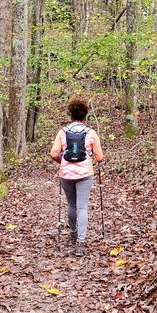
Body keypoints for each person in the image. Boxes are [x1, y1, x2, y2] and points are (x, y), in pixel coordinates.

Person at [49, 99, 104, 256]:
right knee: (82, 207)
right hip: (85, 174)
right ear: (85, 116)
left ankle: (73, 231)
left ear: (71, 115)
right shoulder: (90, 133)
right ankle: (81, 242)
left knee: (71, 205)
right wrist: (90, 158)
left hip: (66, 174)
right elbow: (99, 157)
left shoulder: (63, 132)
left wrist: (63, 161)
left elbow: (53, 153)